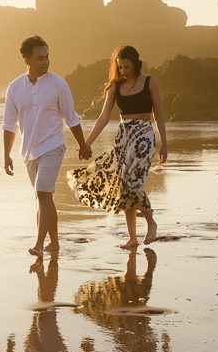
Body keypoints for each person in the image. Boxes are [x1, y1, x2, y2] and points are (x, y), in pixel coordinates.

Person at [67, 45, 168, 250]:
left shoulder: (149, 82)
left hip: (144, 137)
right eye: (120, 67)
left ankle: (151, 222)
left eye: (127, 67)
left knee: (134, 184)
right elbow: (103, 117)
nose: (124, 71)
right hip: (123, 137)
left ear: (136, 64)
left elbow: (158, 114)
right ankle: (132, 238)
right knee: (124, 188)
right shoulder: (115, 86)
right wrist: (87, 143)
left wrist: (164, 143)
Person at [3, 35, 92, 257]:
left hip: (53, 146)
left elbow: (71, 118)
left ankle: (39, 244)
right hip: (29, 151)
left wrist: (83, 145)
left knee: (42, 192)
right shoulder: (14, 88)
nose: (46, 61)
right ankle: (54, 243)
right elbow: (9, 124)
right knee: (44, 197)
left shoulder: (58, 84)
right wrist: (6, 155)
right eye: (40, 58)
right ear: (26, 60)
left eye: (47, 57)